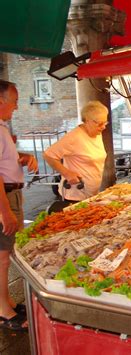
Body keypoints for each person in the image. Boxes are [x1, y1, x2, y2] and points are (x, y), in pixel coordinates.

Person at [0, 80, 37, 331]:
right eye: (14, 101)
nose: (16, 106)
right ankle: (3, 311)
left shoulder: (2, 128)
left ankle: (7, 301)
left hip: (12, 194)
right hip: (5, 198)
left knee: (7, 254)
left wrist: (23, 158)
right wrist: (5, 214)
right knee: (2, 257)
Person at [43, 101, 108, 202]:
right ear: (87, 120)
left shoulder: (97, 133)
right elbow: (48, 155)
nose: (103, 127)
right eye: (100, 123)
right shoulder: (74, 137)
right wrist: (67, 173)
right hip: (75, 194)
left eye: (105, 122)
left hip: (91, 193)